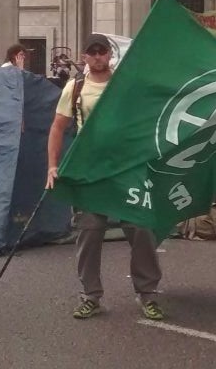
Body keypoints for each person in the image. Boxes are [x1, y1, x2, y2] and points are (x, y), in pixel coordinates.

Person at [46, 33, 164, 322]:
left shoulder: (125, 85)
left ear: (110, 55)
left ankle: (147, 294)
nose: (98, 57)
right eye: (92, 52)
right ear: (84, 57)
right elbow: (58, 128)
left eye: (102, 52)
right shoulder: (76, 88)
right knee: (89, 231)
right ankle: (91, 296)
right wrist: (52, 166)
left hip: (126, 171)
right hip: (91, 173)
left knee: (141, 229)